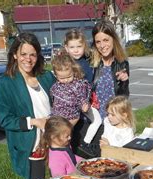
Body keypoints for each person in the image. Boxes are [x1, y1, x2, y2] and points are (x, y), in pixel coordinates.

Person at [0, 32, 55, 179]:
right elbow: (5, 119)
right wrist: (35, 122)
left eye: (32, 54)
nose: (28, 59)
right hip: (33, 146)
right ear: (15, 54)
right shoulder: (6, 82)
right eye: (23, 54)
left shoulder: (46, 77)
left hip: (55, 143)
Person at [78, 20, 130, 157]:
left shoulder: (122, 63)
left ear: (113, 39)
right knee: (87, 163)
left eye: (105, 40)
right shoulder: (91, 62)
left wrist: (124, 82)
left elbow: (123, 98)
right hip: (91, 121)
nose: (102, 45)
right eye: (98, 42)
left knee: (107, 165)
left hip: (110, 122)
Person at [49, 53, 101, 143]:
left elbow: (83, 97)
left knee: (64, 136)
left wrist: (84, 105)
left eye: (69, 76)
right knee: (56, 135)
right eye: (61, 78)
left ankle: (85, 143)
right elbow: (53, 97)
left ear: (73, 70)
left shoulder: (78, 84)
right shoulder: (56, 86)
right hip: (58, 115)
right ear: (56, 75)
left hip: (72, 115)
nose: (65, 80)